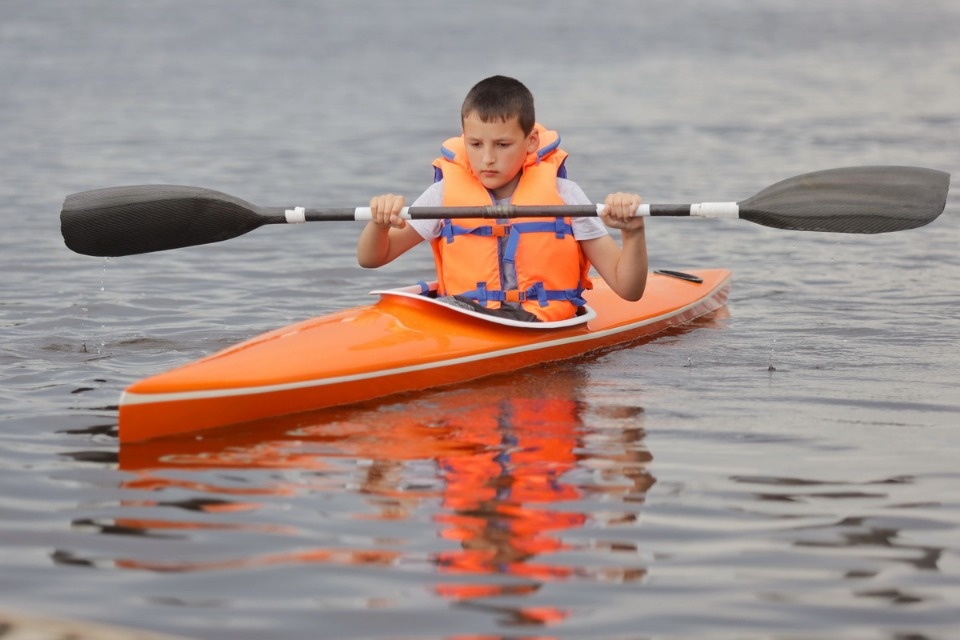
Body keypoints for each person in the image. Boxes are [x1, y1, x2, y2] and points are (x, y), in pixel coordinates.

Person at [357, 75, 648, 323]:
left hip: (540, 322)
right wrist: (379, 223)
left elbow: (628, 289)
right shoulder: (442, 196)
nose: (487, 158)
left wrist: (632, 232)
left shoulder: (565, 195)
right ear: (464, 138)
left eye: (502, 144)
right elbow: (372, 258)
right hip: (467, 317)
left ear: (531, 141)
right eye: (475, 144)